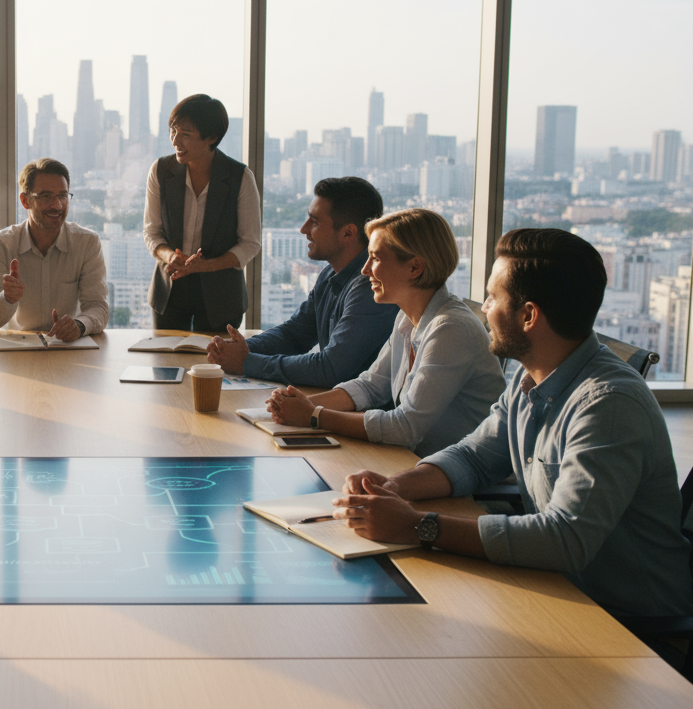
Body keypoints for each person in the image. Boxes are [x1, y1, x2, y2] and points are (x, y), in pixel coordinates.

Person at [335, 229, 693, 618]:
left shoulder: (608, 405)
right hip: (554, 589)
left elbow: (565, 539)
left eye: (492, 297)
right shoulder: (529, 380)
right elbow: (473, 457)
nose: (484, 308)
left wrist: (418, 526)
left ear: (528, 316)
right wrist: (391, 487)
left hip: (629, 621)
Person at [263, 209, 504, 456]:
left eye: (375, 258)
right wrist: (298, 405)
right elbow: (371, 386)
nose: (365, 270)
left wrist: (314, 416)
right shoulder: (407, 317)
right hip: (417, 462)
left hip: (464, 483)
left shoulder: (451, 329)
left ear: (415, 268)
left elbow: (405, 426)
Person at [207, 176, 398, 388]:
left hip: (359, 417)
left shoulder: (371, 287)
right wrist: (233, 348)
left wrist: (246, 362)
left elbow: (330, 369)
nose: (304, 229)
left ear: (348, 233)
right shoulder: (329, 275)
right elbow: (293, 336)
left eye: (314, 222)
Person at [143, 94, 261, 331]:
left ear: (212, 138)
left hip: (221, 295)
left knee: (214, 366)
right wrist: (169, 256)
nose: (175, 141)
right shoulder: (161, 171)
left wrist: (206, 266)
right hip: (170, 290)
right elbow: (151, 231)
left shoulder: (240, 177)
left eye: (185, 135)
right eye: (173, 131)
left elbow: (250, 243)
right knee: (167, 365)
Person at [0, 158, 108, 340]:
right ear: (25, 201)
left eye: (63, 195)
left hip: (67, 347)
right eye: (46, 196)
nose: (57, 205)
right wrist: (7, 298)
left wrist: (79, 325)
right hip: (18, 351)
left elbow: (98, 307)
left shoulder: (87, 243)